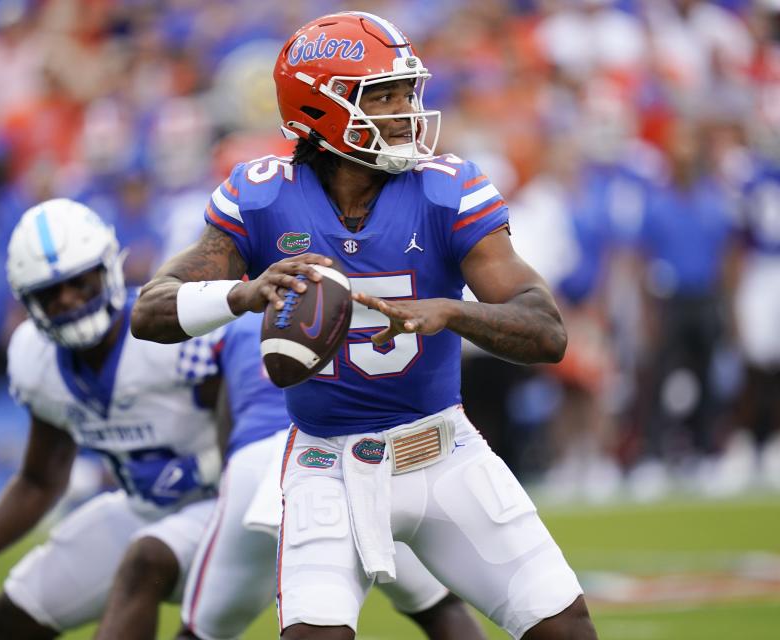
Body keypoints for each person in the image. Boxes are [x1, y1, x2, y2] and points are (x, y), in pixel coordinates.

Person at [130, 12, 596, 640]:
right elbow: (151, 310)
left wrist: (453, 312)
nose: (405, 110)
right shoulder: (264, 196)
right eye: (382, 95)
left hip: (443, 454)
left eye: (408, 91)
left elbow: (547, 331)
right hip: (325, 466)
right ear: (318, 108)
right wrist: (243, 292)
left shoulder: (446, 190)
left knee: (563, 631)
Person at [0, 198, 223, 639]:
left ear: (108, 270)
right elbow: (40, 480)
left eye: (80, 283)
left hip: (222, 507)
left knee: (145, 563)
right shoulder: (35, 359)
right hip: (145, 509)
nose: (67, 300)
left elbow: (255, 431)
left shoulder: (174, 332)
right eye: (50, 293)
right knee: (17, 612)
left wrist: (201, 468)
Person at [171, 312, 487, 640]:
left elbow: (221, 406)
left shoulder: (236, 322)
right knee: (438, 607)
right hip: (344, 459)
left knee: (201, 632)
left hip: (257, 461)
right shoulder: (360, 303)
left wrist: (228, 474)